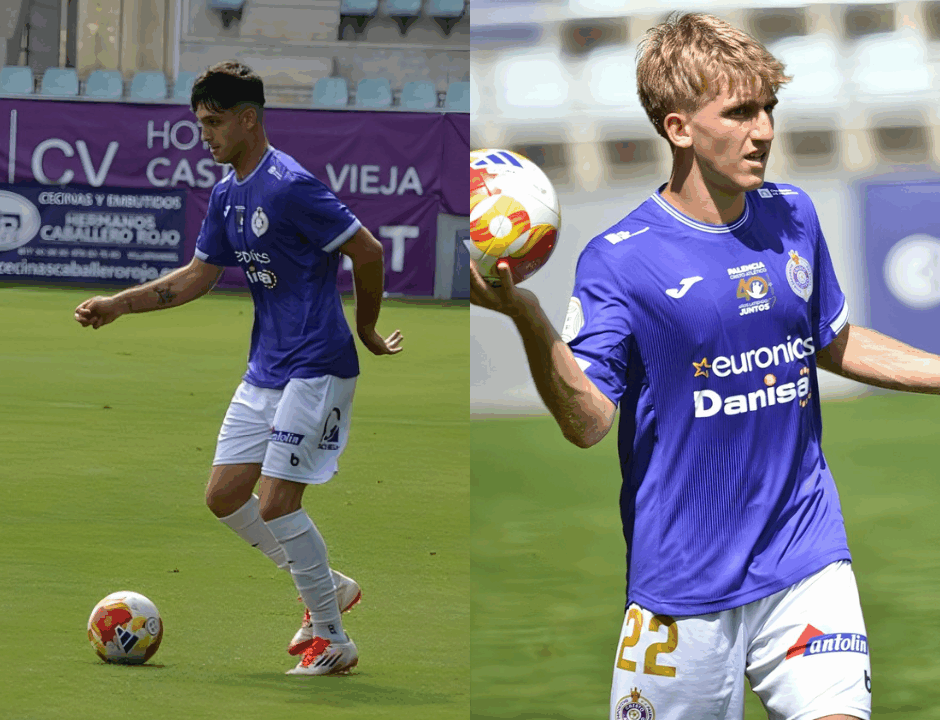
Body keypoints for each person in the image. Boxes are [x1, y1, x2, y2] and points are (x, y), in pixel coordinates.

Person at [471, 13, 940, 720]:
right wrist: (530, 320)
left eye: (769, 110)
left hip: (804, 555)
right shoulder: (620, 259)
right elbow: (589, 422)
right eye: (741, 112)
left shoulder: (794, 216)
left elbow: (833, 340)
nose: (765, 131)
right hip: (681, 591)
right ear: (679, 127)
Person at [74, 61, 403, 676]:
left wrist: (364, 330)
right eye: (200, 125)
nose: (206, 136)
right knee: (225, 496)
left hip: (317, 366)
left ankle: (332, 638)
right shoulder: (227, 193)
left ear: (249, 119)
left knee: (278, 502)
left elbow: (368, 249)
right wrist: (119, 305)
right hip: (266, 370)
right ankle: (327, 585)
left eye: (215, 123)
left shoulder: (290, 185)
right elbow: (198, 277)